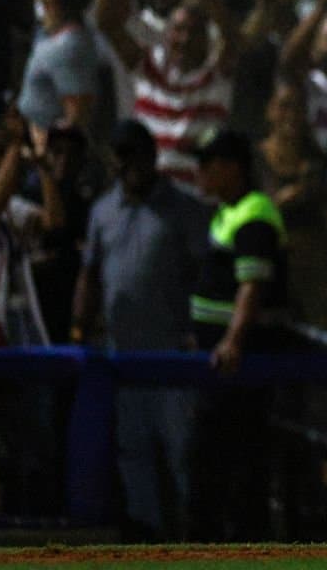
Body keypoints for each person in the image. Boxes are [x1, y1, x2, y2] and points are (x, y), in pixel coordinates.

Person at [71, 120, 206, 539]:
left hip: (173, 358)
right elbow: (90, 273)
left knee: (183, 454)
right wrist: (78, 327)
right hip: (122, 358)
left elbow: (206, 274)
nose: (129, 164)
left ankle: (195, 543)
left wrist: (199, 332)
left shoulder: (185, 209)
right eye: (121, 155)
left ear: (152, 157)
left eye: (136, 154)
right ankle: (151, 544)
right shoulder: (103, 210)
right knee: (134, 454)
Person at [186, 128, 288, 541]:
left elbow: (252, 285)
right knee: (215, 465)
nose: (199, 173)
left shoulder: (254, 213)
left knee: (234, 468)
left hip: (241, 368)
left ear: (232, 167)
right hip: (223, 364)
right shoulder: (228, 211)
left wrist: (232, 341)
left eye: (207, 164)